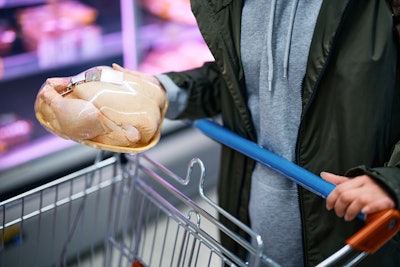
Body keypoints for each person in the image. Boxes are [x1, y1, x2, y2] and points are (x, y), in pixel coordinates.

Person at [46, 0, 399, 266]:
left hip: (352, 234)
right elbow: (243, 82)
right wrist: (160, 90)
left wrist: (392, 180)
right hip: (251, 225)